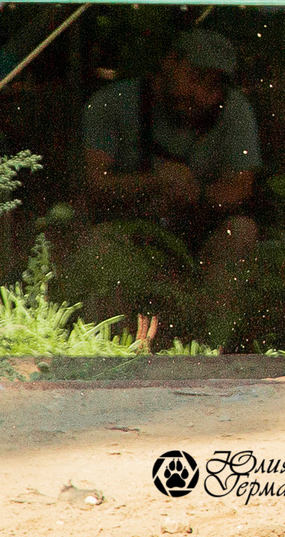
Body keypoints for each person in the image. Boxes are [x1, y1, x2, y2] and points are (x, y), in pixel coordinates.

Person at [73, 29, 261, 350]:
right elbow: (94, 184)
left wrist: (197, 195)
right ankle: (107, 351)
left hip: (194, 241)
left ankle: (212, 351)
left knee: (240, 232)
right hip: (124, 234)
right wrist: (154, 183)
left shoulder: (234, 110)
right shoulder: (111, 103)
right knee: (98, 245)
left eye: (214, 85)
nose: (202, 93)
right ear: (170, 63)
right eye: (196, 77)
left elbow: (241, 185)